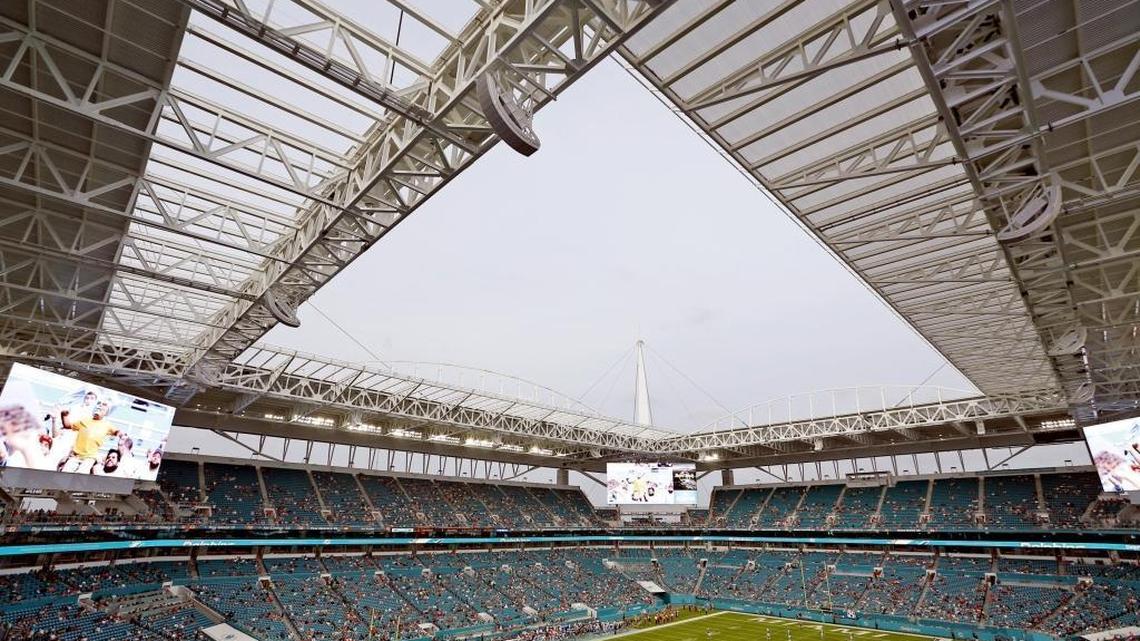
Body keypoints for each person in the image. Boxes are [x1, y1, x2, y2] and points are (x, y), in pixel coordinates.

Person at [56, 400, 121, 474]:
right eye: (98, 403)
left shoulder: (107, 425)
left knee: (81, 474)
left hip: (90, 457)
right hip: (75, 456)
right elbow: (67, 425)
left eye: (104, 405)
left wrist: (122, 435)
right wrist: (64, 415)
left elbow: (117, 432)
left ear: (107, 412)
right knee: (65, 474)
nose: (99, 406)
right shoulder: (85, 420)